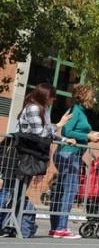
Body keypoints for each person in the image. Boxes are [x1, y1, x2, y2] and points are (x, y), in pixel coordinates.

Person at [2, 84, 74, 237]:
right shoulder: (34, 108)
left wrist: (64, 139)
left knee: (18, 192)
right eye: (52, 96)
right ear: (45, 95)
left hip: (28, 155)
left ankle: (8, 225)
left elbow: (46, 133)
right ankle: (6, 222)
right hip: (21, 155)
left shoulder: (42, 110)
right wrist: (59, 124)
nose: (54, 100)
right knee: (10, 190)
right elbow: (40, 133)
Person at [48, 83, 99, 239]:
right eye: (92, 96)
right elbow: (67, 131)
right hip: (69, 155)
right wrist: (88, 136)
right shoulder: (76, 111)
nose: (94, 99)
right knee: (69, 191)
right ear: (85, 96)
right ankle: (61, 228)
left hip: (69, 154)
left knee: (61, 191)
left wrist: (92, 134)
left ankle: (56, 228)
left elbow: (76, 131)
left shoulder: (80, 112)